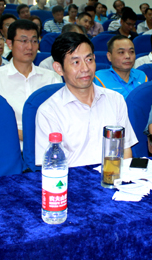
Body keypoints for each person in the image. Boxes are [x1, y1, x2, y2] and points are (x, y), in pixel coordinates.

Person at [35, 32, 138, 167]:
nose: (85, 68)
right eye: (76, 62)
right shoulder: (49, 111)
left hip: (112, 175)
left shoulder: (115, 100)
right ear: (59, 68)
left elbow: (125, 150)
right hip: (73, 178)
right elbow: (51, 166)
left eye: (89, 60)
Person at [0, 20, 61, 146]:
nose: (30, 47)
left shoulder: (52, 78)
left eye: (34, 41)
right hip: (7, 146)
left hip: (46, 147)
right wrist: (24, 134)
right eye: (23, 41)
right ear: (9, 44)